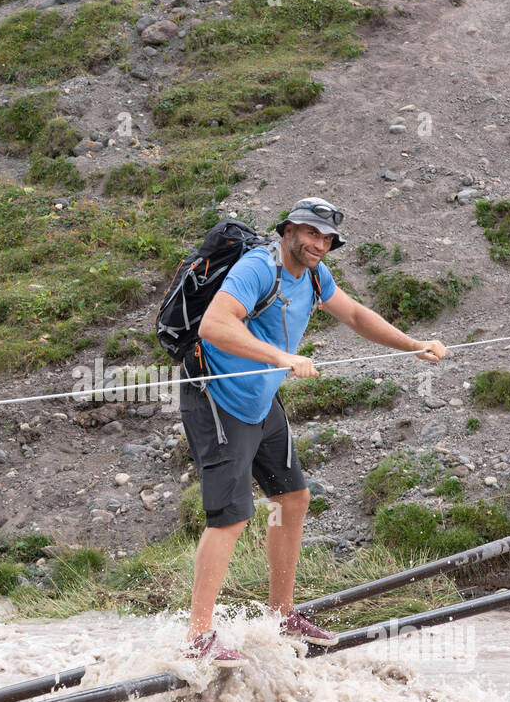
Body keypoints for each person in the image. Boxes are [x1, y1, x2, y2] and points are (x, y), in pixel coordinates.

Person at [181, 197, 448, 667]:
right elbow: (214, 325)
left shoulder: (315, 274)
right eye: (311, 234)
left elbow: (356, 315)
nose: (319, 244)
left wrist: (413, 345)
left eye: (327, 239)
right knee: (230, 516)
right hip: (219, 400)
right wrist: (281, 357)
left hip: (261, 400)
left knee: (292, 498)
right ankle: (198, 638)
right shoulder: (258, 268)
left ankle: (282, 615)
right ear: (289, 230)